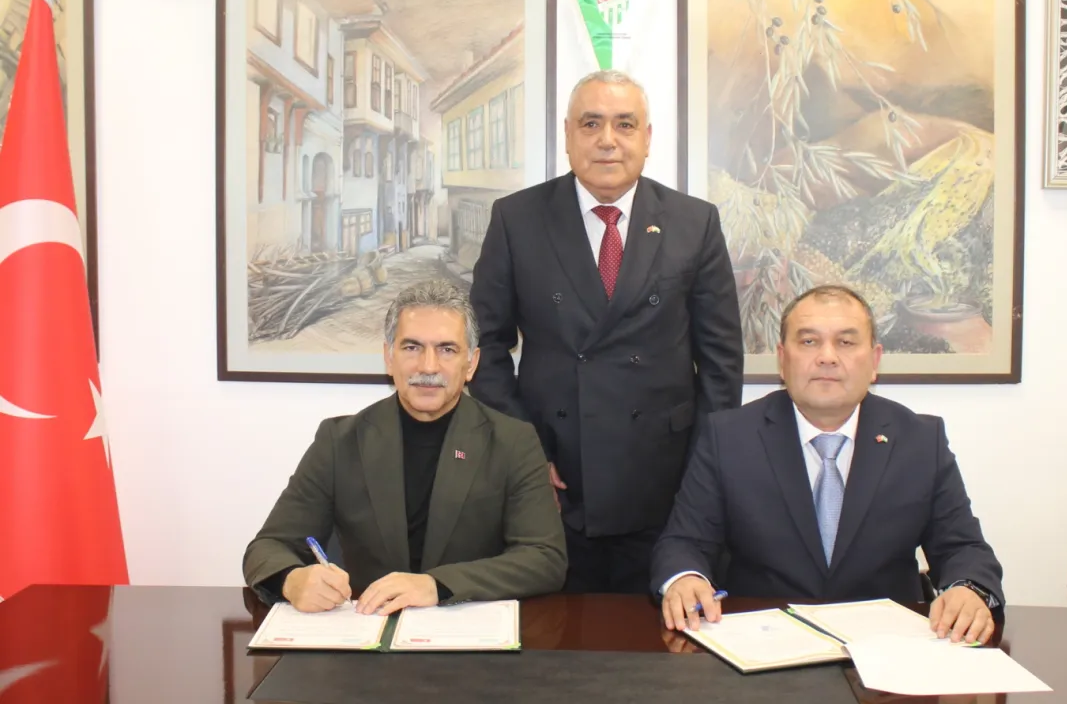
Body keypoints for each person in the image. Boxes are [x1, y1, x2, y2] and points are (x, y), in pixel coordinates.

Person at [468, 70, 744, 594]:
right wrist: (524, 451)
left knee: (657, 636)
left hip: (663, 481)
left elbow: (721, 362)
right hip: (554, 477)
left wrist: (705, 469)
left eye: (625, 124)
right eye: (591, 124)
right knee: (556, 634)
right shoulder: (517, 218)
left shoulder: (694, 222)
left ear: (647, 137)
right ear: (568, 135)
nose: (607, 140)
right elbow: (484, 344)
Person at [651, 285, 1003, 644]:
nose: (827, 357)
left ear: (875, 361)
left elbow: (964, 548)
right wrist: (685, 578)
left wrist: (967, 589)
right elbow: (684, 541)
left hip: (885, 647)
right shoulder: (728, 436)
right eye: (809, 342)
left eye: (846, 342)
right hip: (763, 642)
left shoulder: (919, 440)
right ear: (782, 359)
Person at [242, 280, 567, 615]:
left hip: (468, 634)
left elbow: (545, 559)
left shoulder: (514, 442)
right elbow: (267, 547)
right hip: (368, 630)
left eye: (447, 349)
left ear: (471, 364)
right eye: (412, 348)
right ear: (389, 357)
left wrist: (437, 585)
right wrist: (292, 580)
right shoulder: (339, 441)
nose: (428, 367)